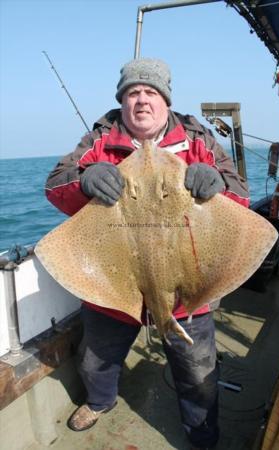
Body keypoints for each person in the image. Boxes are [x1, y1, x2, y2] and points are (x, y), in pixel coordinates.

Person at [45, 58, 249, 450]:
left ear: (165, 100)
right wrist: (84, 181)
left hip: (187, 288)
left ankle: (202, 435)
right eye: (133, 93)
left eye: (150, 92)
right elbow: (55, 185)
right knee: (95, 359)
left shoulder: (198, 140)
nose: (141, 100)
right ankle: (100, 401)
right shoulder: (99, 140)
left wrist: (218, 184)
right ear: (122, 100)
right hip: (117, 284)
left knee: (198, 373)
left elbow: (240, 195)